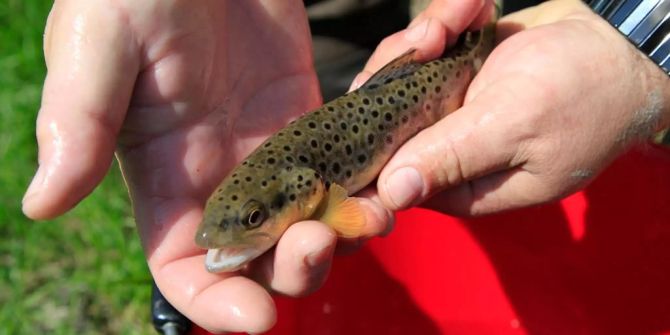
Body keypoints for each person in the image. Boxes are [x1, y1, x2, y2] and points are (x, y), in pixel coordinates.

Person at [23, 0, 669, 333]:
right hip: (320, 55)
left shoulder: (317, 189)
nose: (235, 229)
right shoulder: (291, 176)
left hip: (426, 84)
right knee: (328, 54)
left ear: (305, 191)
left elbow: (355, 212)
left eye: (252, 217)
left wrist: (634, 36)